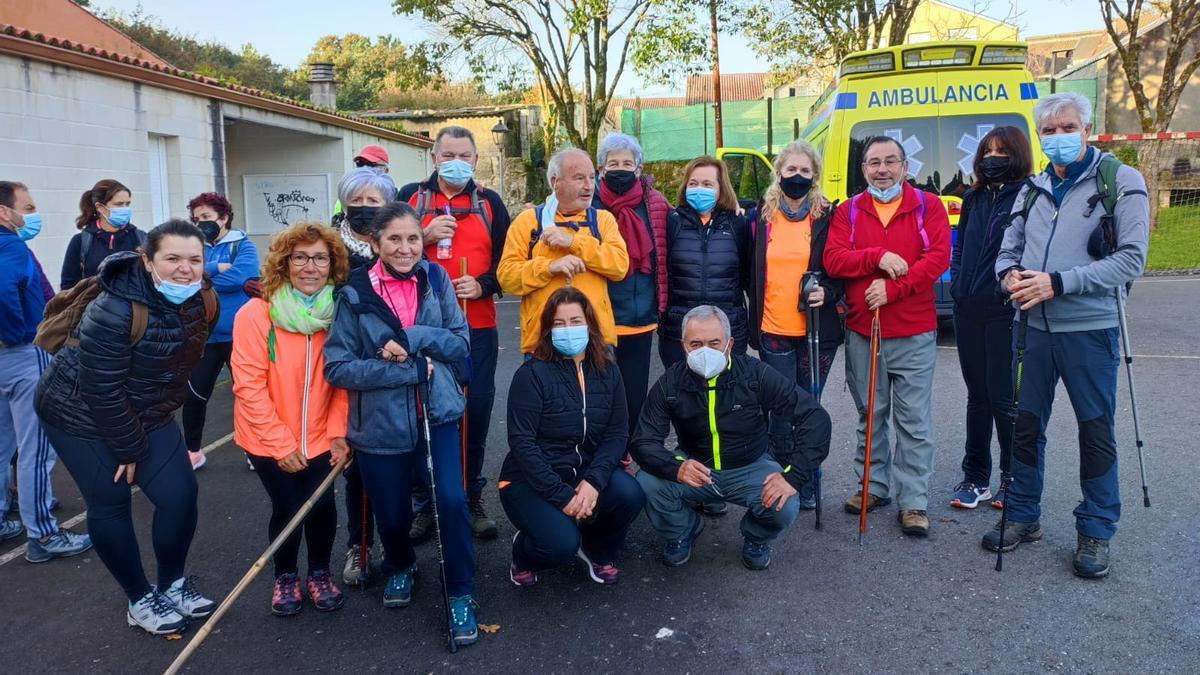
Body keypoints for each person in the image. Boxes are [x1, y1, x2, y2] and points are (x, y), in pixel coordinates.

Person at [987, 93, 1149, 578]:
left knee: (1095, 431)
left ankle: (1096, 530)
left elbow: (1132, 260)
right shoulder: (1032, 188)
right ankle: (1022, 515)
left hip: (1091, 330)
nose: (1058, 137)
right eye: (1050, 131)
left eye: (1067, 127)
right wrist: (1009, 278)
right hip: (1032, 329)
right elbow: (1006, 251)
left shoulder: (1120, 180)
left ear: (1088, 126)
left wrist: (1059, 282)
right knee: (1025, 426)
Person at [35, 221, 218, 635]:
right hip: (77, 411)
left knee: (180, 493)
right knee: (111, 500)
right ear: (147, 260)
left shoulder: (202, 298)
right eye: (172, 259)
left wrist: (147, 430)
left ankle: (171, 582)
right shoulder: (115, 307)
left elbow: (179, 367)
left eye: (194, 259)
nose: (185, 269)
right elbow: (102, 390)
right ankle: (139, 597)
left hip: (144, 409)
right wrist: (130, 449)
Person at [323, 202, 479, 646]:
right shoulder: (353, 294)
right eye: (394, 239)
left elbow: (458, 341)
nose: (405, 248)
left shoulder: (437, 279)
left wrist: (411, 339)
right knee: (391, 512)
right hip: (378, 424)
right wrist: (402, 370)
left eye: (413, 238)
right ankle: (401, 562)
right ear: (375, 244)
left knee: (451, 501)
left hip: (439, 412)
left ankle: (462, 590)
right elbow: (338, 368)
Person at [632, 305, 831, 570]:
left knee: (784, 503)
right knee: (647, 482)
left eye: (714, 343)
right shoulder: (670, 383)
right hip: (696, 466)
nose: (706, 351)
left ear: (730, 343)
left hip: (749, 466)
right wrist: (675, 467)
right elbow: (643, 440)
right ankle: (682, 529)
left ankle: (756, 536)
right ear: (683, 345)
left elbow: (815, 418)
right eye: (696, 343)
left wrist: (793, 477)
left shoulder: (754, 375)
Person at [823, 136, 951, 538]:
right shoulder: (849, 211)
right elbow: (834, 258)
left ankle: (913, 500)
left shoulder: (928, 206)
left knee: (913, 421)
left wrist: (894, 288)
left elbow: (938, 259)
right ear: (863, 170)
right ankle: (872, 486)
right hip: (864, 330)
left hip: (913, 330)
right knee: (871, 414)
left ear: (905, 166)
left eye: (890, 161)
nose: (882, 169)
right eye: (874, 162)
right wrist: (876, 256)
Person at [232, 222, 351, 616]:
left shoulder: (340, 313)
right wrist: (280, 444)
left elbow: (343, 381)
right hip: (267, 437)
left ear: (332, 264)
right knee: (287, 506)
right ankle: (285, 575)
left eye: (320, 257)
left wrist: (338, 434)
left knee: (321, 507)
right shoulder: (256, 313)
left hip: (322, 436)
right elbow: (248, 385)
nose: (310, 267)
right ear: (284, 263)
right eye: (300, 257)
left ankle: (319, 572)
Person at [398, 126, 512, 541]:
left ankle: (470, 494)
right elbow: (389, 252)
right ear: (433, 158)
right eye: (448, 154)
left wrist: (484, 284)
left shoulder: (490, 202)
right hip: (420, 327)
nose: (456, 161)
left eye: (464, 154)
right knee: (420, 412)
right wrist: (423, 237)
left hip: (476, 325)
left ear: (477, 160)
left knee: (475, 411)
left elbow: (508, 261)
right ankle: (425, 502)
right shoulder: (411, 198)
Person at [500, 287, 645, 587]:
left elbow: (617, 432)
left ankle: (597, 550)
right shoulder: (531, 376)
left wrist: (594, 481)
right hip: (529, 480)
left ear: (590, 324)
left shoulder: (608, 371)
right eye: (559, 323)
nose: (569, 329)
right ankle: (522, 553)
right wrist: (563, 497)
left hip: (584, 470)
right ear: (548, 329)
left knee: (630, 495)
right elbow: (522, 444)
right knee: (559, 545)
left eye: (576, 321)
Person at [747, 140, 845, 510]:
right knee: (779, 411)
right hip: (773, 328)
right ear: (779, 173)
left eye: (806, 171)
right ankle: (775, 478)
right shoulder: (760, 217)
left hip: (816, 330)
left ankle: (804, 479)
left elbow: (839, 269)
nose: (798, 177)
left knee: (809, 409)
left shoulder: (826, 216)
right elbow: (747, 271)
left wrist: (829, 293)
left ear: (815, 176)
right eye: (791, 170)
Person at [0, 181, 93, 557]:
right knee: (35, 447)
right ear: (5, 212)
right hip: (22, 353)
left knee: (3, 443)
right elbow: (6, 291)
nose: (32, 214)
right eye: (28, 206)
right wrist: (20, 332)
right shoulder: (10, 246)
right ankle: (42, 534)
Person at [947, 126, 1034, 509]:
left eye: (1001, 151)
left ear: (1016, 155)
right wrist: (959, 287)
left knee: (1003, 398)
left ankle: (1011, 479)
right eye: (987, 150)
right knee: (976, 397)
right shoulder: (974, 197)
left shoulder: (1030, 197)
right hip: (968, 311)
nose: (993, 157)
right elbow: (961, 246)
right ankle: (975, 477)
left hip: (1003, 313)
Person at [498, 148, 629, 356]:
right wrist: (549, 267)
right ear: (555, 182)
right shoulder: (528, 221)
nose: (588, 186)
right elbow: (506, 277)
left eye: (591, 177)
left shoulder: (603, 220)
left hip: (596, 341)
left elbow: (619, 266)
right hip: (542, 342)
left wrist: (574, 241)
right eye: (579, 178)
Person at [330, 166, 395, 584]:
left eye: (374, 201)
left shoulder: (397, 246)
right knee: (356, 468)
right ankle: (359, 543)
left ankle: (392, 538)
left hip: (393, 365)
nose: (365, 207)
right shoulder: (330, 250)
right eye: (358, 200)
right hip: (350, 367)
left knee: (395, 466)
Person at [591, 133, 670, 454]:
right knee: (600, 401)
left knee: (634, 401)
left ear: (639, 168)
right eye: (613, 164)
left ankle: (623, 458)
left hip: (640, 320)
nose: (620, 169)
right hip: (599, 320)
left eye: (627, 163)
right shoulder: (590, 204)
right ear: (600, 169)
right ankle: (601, 463)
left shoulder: (656, 204)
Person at [182, 192, 259, 470]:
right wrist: (214, 267)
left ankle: (255, 450)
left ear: (223, 217)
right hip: (205, 335)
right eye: (196, 219)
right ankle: (193, 451)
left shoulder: (243, 246)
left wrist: (201, 276)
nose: (201, 223)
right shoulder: (196, 247)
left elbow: (240, 278)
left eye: (206, 217)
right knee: (194, 396)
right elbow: (182, 275)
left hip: (240, 335)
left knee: (248, 394)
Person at [660, 156, 751, 369]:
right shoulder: (672, 222)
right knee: (682, 396)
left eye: (708, 184)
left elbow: (749, 275)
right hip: (679, 331)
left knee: (726, 396)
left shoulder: (738, 224)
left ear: (721, 188)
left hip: (728, 328)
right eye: (693, 183)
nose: (699, 188)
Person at [61, 179, 146, 290]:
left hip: (134, 306)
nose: (125, 209)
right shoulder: (81, 241)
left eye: (128, 204)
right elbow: (68, 286)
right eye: (119, 204)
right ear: (100, 208)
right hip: (93, 306)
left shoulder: (141, 238)